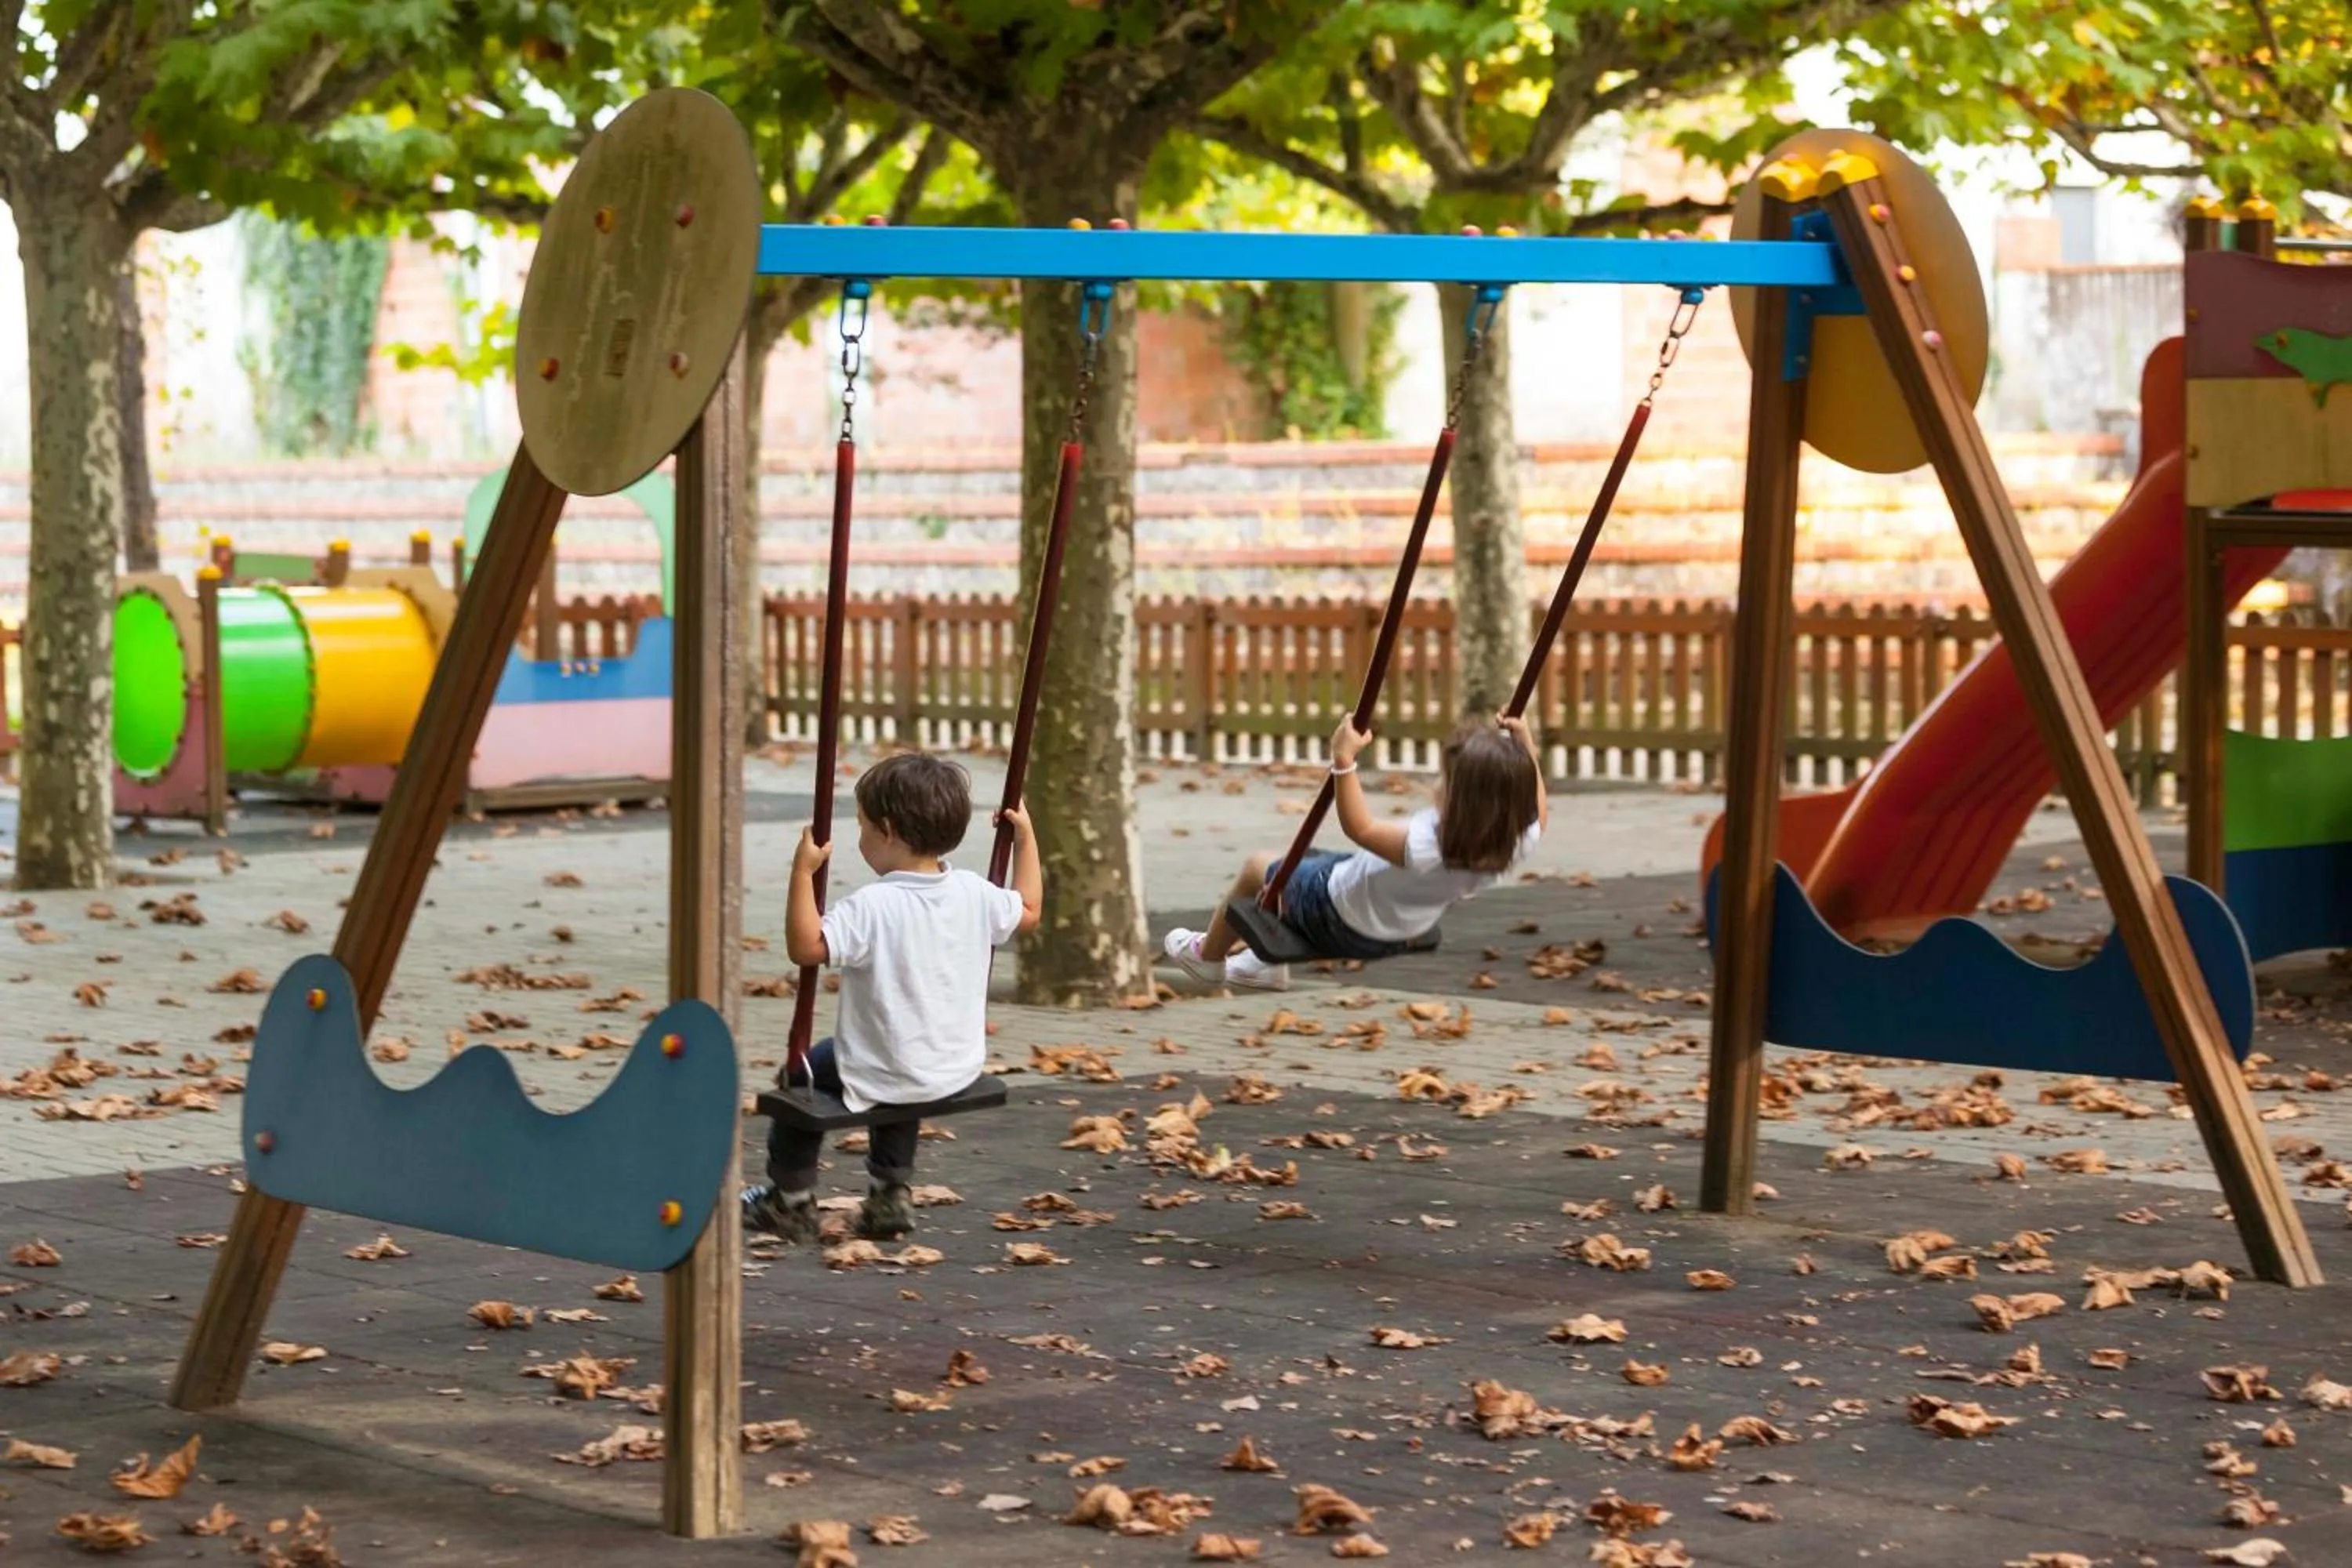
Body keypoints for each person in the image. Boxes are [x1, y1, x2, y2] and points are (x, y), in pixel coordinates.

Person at [742, 753, 1041, 1245]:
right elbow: (1029, 908)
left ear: (885, 830)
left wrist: (802, 874)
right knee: (902, 1070)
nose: (860, 839)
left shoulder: (873, 906)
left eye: (860, 827)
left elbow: (806, 947)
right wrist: (1026, 836)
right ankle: (890, 1195)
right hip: (953, 1066)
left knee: (803, 1075)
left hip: (886, 1068)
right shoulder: (975, 892)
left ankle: (788, 1200)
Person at [1163, 713, 1547, 991]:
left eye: (1446, 780)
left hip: (1339, 916)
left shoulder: (1426, 847)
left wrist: (1344, 761)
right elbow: (1537, 804)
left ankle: (1207, 958)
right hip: (1405, 928)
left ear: (1462, 800)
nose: (1437, 784)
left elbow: (1359, 828)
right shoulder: (1517, 839)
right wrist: (1525, 748)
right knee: (1307, 859)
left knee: (1258, 869)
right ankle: (1262, 966)